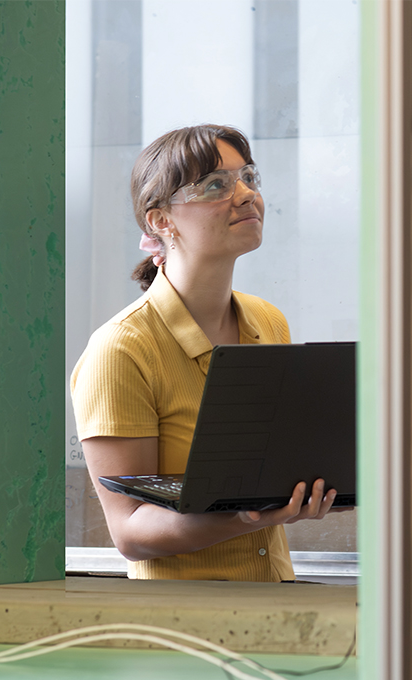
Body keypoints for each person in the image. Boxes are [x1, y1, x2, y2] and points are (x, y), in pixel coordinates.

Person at [71, 125, 336, 581]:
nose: (245, 195)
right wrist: (243, 516)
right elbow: (130, 532)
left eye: (249, 178)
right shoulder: (121, 349)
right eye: (216, 185)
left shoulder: (269, 321)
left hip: (278, 604)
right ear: (159, 220)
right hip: (183, 626)